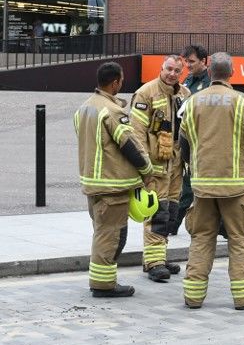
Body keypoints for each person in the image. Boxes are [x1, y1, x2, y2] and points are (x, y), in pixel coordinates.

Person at [178, 52, 244, 310]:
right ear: (231, 72)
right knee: (240, 238)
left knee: (201, 238)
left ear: (210, 71)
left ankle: (193, 296)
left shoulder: (193, 102)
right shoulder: (240, 103)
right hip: (236, 187)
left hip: (203, 186)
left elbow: (183, 145)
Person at [75, 62, 155, 297]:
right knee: (111, 234)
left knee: (102, 232)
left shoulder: (84, 108)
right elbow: (129, 144)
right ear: (115, 83)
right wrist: (147, 169)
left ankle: (103, 281)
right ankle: (103, 285)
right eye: (121, 80)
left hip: (92, 183)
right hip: (112, 185)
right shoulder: (112, 111)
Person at [129, 55, 190, 281]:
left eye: (177, 71)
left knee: (171, 212)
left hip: (176, 164)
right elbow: (136, 132)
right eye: (169, 69)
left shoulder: (185, 94)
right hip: (155, 165)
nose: (172, 74)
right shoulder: (146, 93)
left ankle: (159, 257)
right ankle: (154, 262)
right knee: (157, 213)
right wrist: (142, 165)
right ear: (161, 68)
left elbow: (189, 129)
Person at [170, 43, 212, 236]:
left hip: (201, 141)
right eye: (186, 61)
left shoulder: (210, 82)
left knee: (189, 186)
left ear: (204, 61)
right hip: (184, 138)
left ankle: (173, 223)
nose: (188, 65)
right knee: (183, 184)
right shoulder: (187, 80)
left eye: (192, 61)